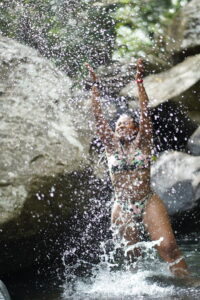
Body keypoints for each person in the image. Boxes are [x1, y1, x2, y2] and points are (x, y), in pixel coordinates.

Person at [85, 59, 189, 278]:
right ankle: (138, 287)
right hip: (122, 204)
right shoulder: (110, 146)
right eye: (118, 125)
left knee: (168, 248)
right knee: (131, 254)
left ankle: (188, 282)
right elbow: (98, 119)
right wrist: (95, 88)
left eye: (126, 124)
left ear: (135, 129)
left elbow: (144, 112)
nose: (121, 127)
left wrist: (139, 82)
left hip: (147, 201)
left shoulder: (143, 141)